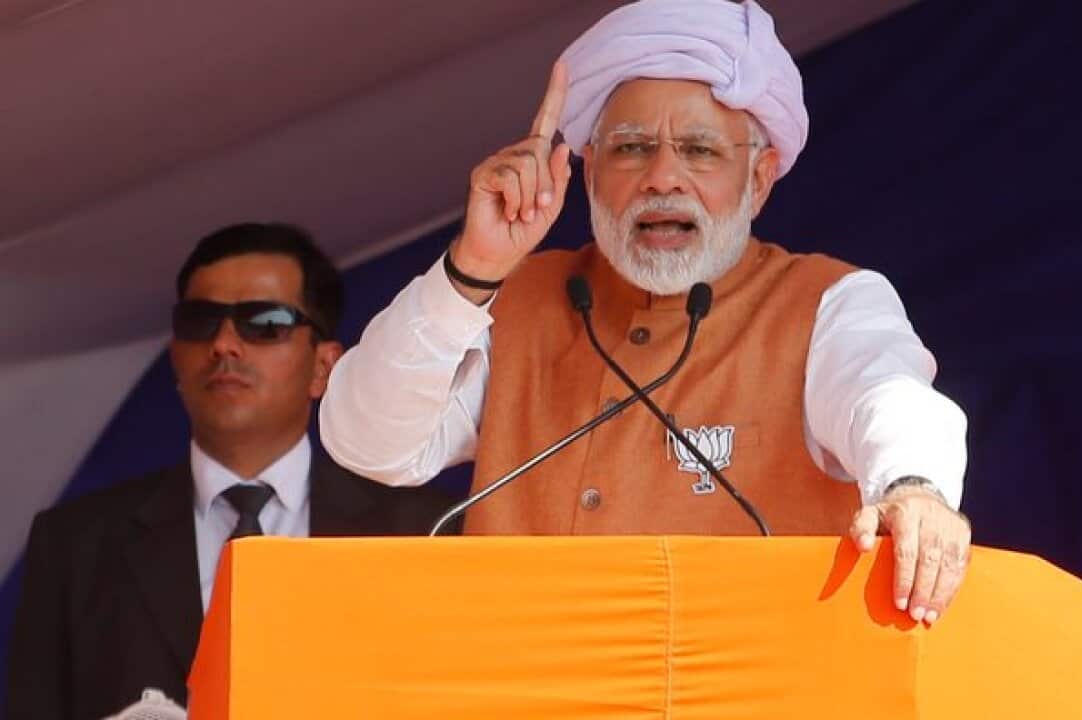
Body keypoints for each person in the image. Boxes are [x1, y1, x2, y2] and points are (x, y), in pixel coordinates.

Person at [321, 0, 971, 626]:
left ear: (761, 177)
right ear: (591, 168)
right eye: (631, 149)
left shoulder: (826, 301)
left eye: (700, 151)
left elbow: (888, 397)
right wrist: (472, 268)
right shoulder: (517, 297)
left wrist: (913, 486)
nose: (663, 177)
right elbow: (368, 444)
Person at [5, 223, 458, 720]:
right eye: (201, 321)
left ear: (324, 366)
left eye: (263, 322)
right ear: (175, 354)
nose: (224, 344)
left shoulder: (420, 533)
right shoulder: (76, 542)